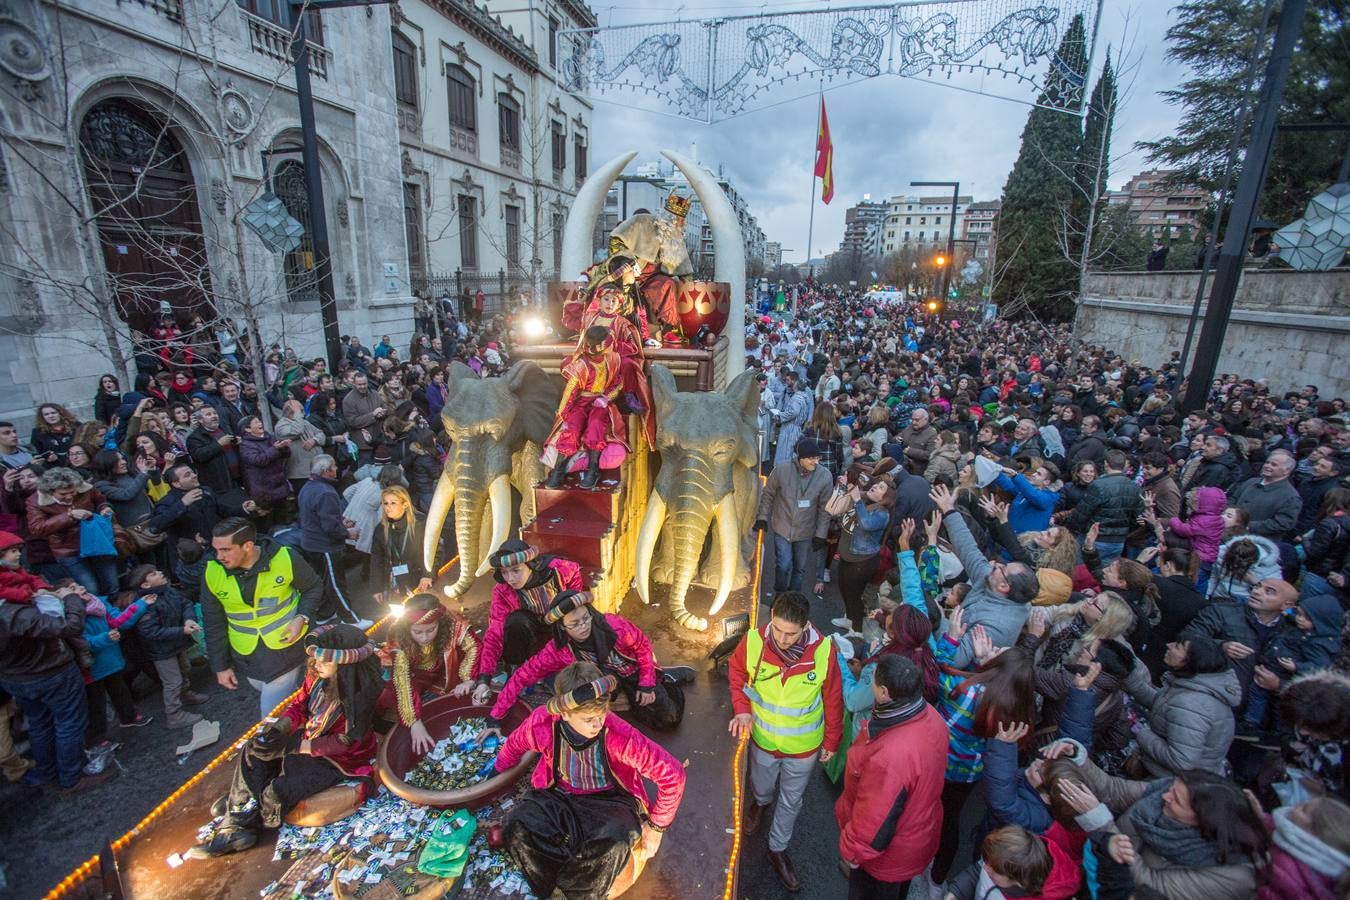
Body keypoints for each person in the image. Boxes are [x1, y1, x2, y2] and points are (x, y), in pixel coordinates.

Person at [492, 662, 686, 899]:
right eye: (588, 719)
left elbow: (673, 774)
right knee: (517, 823)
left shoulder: (619, 736)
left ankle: (574, 894)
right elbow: (514, 744)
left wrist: (656, 828)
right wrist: (497, 773)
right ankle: (549, 887)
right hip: (559, 795)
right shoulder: (542, 723)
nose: (598, 724)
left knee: (615, 841)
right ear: (564, 713)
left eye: (601, 714)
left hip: (609, 802)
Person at [190, 624, 383, 857]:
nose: (316, 665)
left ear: (345, 667)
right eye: (316, 660)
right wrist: (280, 729)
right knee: (254, 750)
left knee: (277, 790)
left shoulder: (360, 696)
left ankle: (245, 810)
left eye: (324, 662)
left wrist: (294, 746)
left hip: (340, 761)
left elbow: (343, 743)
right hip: (309, 740)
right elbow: (299, 706)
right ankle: (240, 813)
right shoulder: (317, 677)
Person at [728, 591, 843, 892]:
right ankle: (761, 803)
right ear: (771, 619)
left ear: (805, 627)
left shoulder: (824, 651)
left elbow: (833, 698)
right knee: (761, 786)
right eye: (777, 629)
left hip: (803, 748)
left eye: (790, 634)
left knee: (792, 800)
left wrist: (832, 740)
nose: (781, 639)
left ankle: (777, 848)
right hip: (763, 740)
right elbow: (736, 672)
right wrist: (742, 710)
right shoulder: (753, 640)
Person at [483, 590, 688, 734]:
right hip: (607, 680)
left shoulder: (614, 625)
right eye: (574, 624)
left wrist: (647, 684)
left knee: (668, 720)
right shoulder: (557, 649)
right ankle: (627, 697)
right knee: (599, 704)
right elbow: (522, 675)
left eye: (585, 618)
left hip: (634, 671)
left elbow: (642, 646)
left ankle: (666, 679)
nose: (583, 626)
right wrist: (495, 717)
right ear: (562, 627)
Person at [834, 655, 948, 900]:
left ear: (884, 692)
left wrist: (852, 852)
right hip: (915, 839)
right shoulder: (932, 716)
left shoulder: (892, 755)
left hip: (885, 858)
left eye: (872, 682)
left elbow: (876, 818)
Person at [0, 580, 114, 792]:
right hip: (48, 670)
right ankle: (71, 777)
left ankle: (49, 774)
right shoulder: (14, 611)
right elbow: (69, 627)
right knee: (69, 723)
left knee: (39, 724)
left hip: (16, 677)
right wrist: (70, 598)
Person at [202, 517, 323, 715]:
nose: (219, 556)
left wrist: (302, 617)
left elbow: (313, 587)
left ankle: (278, 732)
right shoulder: (212, 572)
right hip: (246, 654)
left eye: (226, 550)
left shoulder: (285, 558)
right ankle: (305, 709)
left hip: (286, 648)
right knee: (272, 692)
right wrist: (220, 666)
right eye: (216, 550)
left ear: (248, 546)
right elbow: (213, 622)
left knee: (270, 712)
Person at [931, 484, 1039, 668]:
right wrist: (949, 510)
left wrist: (940, 620)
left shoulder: (996, 625)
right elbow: (969, 549)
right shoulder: (990, 579)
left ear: (1004, 587)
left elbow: (957, 660)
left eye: (1003, 569)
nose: (997, 564)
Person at [469, 540, 583, 698]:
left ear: (530, 564)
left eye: (516, 570)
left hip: (561, 633)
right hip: (529, 638)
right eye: (504, 572)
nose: (510, 579)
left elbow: (577, 602)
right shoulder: (503, 591)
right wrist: (484, 679)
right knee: (516, 621)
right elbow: (495, 633)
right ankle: (517, 671)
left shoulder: (560, 570)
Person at [378, 593, 479, 754]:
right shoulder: (399, 640)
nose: (425, 637)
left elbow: (474, 646)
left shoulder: (452, 624)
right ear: (407, 628)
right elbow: (402, 680)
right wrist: (414, 722)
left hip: (447, 668)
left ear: (440, 622)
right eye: (418, 632)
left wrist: (468, 678)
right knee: (387, 698)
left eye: (431, 630)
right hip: (415, 676)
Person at [1127, 637, 1242, 776]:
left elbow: (1182, 762)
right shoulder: (1190, 686)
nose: (1169, 645)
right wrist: (1128, 677)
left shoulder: (1191, 704)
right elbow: (1163, 705)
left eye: (1177, 646)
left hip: (1170, 781)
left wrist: (1139, 730)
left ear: (1191, 661)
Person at [542, 325, 628, 490]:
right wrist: (563, 413)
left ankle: (593, 470)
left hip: (601, 402)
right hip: (581, 402)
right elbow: (569, 392)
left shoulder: (614, 359)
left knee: (596, 424)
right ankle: (559, 469)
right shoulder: (581, 365)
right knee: (572, 427)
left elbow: (619, 383)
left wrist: (606, 398)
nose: (612, 344)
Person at [126, 564, 208, 730]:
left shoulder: (167, 591)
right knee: (172, 682)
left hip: (177, 643)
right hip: (161, 651)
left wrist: (189, 619)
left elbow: (185, 604)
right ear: (145, 585)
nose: (160, 572)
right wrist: (181, 630)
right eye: (154, 574)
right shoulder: (144, 605)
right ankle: (174, 714)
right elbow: (151, 632)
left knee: (184, 669)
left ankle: (186, 694)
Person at [755, 437, 833, 595]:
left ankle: (793, 598)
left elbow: (824, 509)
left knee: (800, 568)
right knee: (783, 565)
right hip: (782, 526)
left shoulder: (825, 476)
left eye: (818, 458)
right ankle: (780, 595)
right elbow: (768, 493)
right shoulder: (781, 469)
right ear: (800, 457)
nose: (816, 462)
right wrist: (762, 517)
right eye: (811, 458)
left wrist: (821, 534)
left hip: (805, 530)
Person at [26, 466, 118, 596]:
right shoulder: (36, 501)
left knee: (111, 583)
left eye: (72, 492)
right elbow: (37, 528)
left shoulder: (86, 488)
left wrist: (105, 508)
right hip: (68, 550)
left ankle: (116, 607)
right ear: (50, 491)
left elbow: (100, 501)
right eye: (63, 494)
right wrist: (69, 516)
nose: (69, 497)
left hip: (97, 541)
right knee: (90, 589)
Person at [297, 455, 364, 625]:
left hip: (311, 543)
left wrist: (340, 521)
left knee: (322, 581)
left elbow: (316, 516)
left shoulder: (307, 487)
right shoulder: (326, 492)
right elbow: (330, 528)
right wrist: (348, 533)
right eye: (334, 466)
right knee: (336, 584)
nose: (336, 469)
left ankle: (325, 613)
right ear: (326, 471)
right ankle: (351, 619)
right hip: (325, 546)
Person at [831, 475, 895, 633]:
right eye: (877, 484)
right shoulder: (866, 501)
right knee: (844, 589)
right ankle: (849, 619)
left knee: (854, 595)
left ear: (886, 497)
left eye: (881, 487)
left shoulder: (882, 513)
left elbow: (866, 524)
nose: (875, 487)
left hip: (861, 561)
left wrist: (858, 501)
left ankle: (857, 631)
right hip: (847, 555)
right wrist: (845, 486)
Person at [369, 485, 433, 604]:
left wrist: (428, 575)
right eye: (385, 503)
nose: (388, 507)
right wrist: (377, 588)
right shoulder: (381, 529)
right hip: (395, 583)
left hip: (419, 580)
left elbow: (435, 551)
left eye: (393, 503)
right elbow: (376, 560)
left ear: (405, 504)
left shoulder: (420, 524)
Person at [1229, 448, 1302, 540]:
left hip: (1256, 540)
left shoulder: (1291, 496)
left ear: (1286, 471)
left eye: (1274, 465)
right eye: (1267, 462)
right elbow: (1233, 499)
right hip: (1230, 534)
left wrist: (1247, 525)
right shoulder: (1251, 482)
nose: (1267, 466)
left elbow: (1283, 523)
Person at [771, 371, 813, 470]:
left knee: (786, 453)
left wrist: (780, 415)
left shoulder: (797, 398)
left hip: (791, 428)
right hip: (794, 427)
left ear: (794, 383)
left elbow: (793, 412)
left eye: (788, 380)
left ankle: (784, 472)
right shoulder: (802, 396)